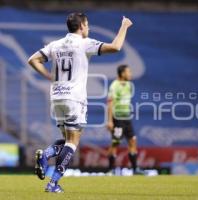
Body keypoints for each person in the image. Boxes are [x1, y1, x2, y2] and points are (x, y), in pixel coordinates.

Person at [28, 12, 133, 192]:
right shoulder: (85, 43)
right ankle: (52, 182)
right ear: (82, 26)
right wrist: (125, 26)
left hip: (57, 97)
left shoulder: (56, 44)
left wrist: (48, 76)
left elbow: (32, 60)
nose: (89, 28)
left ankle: (46, 157)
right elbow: (116, 47)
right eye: (88, 24)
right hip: (75, 98)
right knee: (73, 142)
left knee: (67, 139)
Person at [106, 64, 143, 175]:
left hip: (127, 118)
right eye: (129, 72)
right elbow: (110, 103)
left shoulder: (129, 85)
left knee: (132, 141)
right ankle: (110, 170)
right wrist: (110, 121)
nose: (130, 74)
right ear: (122, 74)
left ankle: (135, 169)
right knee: (115, 143)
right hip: (117, 119)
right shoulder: (114, 86)